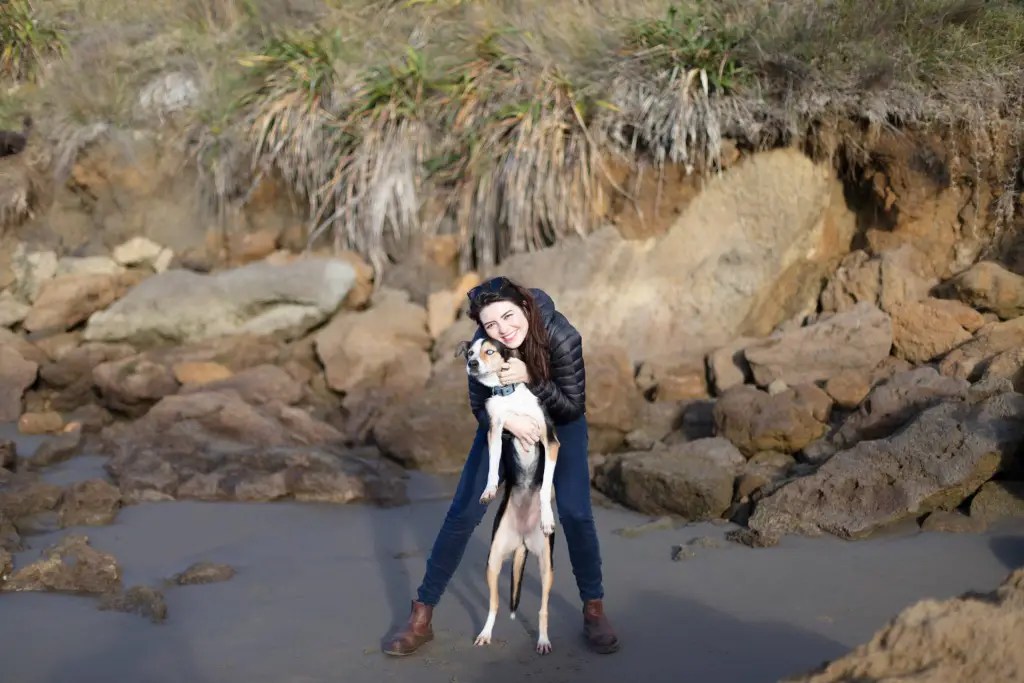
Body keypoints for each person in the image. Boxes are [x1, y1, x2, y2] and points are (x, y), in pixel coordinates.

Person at [382, 275, 620, 656]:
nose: (503, 330)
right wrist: (509, 423)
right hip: (505, 421)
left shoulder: (562, 336)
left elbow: (572, 405)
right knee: (463, 512)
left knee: (575, 513)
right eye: (491, 324)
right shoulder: (482, 345)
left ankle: (593, 608)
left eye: (509, 317)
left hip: (560, 422)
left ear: (525, 307)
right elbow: (480, 406)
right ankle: (422, 613)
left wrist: (532, 377)